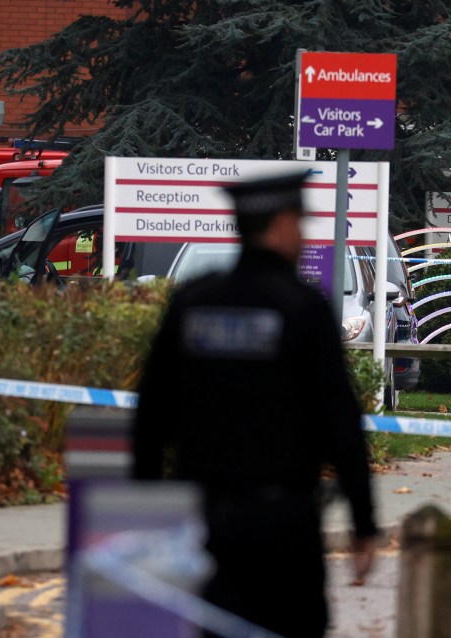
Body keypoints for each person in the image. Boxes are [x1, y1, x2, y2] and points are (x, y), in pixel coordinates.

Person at [132, 171, 378, 637]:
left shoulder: (193, 303)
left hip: (203, 524)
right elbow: (340, 423)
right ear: (282, 226)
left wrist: (148, 515)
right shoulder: (302, 308)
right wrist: (363, 522)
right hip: (283, 526)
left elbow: (151, 416)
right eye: (301, 225)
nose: (304, 238)